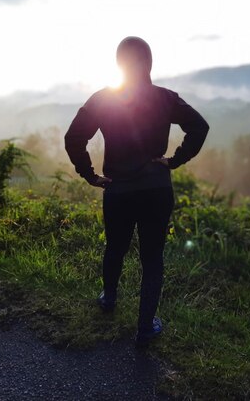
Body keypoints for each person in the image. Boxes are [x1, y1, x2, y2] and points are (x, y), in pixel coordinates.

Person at [64, 36, 209, 345]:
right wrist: (174, 160)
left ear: (118, 64)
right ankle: (145, 327)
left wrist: (90, 175)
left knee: (114, 247)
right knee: (152, 257)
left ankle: (109, 299)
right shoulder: (166, 98)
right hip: (156, 189)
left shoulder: (102, 99)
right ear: (150, 63)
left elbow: (73, 137)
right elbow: (200, 127)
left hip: (117, 190)